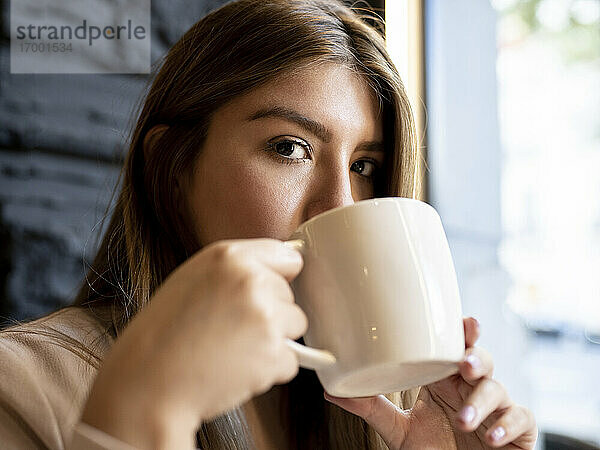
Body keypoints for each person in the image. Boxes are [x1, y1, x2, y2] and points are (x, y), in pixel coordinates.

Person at [0, 0, 538, 449]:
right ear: (171, 170)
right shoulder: (24, 387)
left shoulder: (386, 415)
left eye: (363, 166)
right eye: (290, 148)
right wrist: (147, 408)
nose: (339, 205)